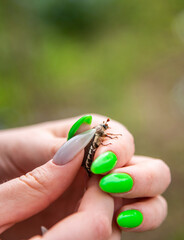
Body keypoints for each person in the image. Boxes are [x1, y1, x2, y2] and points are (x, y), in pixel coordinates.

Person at [0, 114, 171, 240]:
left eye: (105, 128)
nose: (104, 129)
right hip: (84, 161)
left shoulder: (100, 134)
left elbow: (100, 142)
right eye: (103, 128)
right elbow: (96, 144)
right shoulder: (97, 134)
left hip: (82, 168)